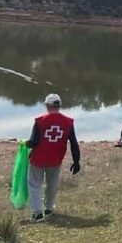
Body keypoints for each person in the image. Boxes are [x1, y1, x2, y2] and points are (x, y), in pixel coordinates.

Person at [26, 93, 81, 222]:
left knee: (34, 185)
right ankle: (49, 208)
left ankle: (37, 213)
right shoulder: (68, 122)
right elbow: (73, 142)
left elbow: (34, 142)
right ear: (59, 106)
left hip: (38, 159)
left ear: (47, 105)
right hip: (55, 160)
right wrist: (76, 160)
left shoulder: (40, 121)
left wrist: (25, 143)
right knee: (52, 184)